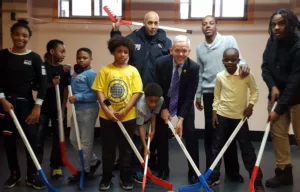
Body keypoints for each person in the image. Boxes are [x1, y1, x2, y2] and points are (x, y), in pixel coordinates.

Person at [111, 12, 172, 170]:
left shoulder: (166, 42)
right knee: (133, 130)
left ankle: (153, 164)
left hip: (155, 94)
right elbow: (119, 48)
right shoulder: (133, 39)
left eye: (156, 23)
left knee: (155, 132)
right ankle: (129, 162)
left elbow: (168, 70)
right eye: (149, 23)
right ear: (143, 23)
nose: (152, 26)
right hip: (134, 93)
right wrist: (115, 32)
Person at [195, 15, 249, 186]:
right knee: (211, 136)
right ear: (202, 28)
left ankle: (233, 172)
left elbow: (241, 59)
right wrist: (198, 94)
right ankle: (213, 173)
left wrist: (244, 66)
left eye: (211, 23)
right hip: (210, 95)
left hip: (229, 93)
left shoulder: (228, 40)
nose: (208, 26)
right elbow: (200, 72)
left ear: (216, 25)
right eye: (204, 24)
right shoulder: (199, 49)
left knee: (230, 133)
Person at [0, 19, 47, 189]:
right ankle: (14, 174)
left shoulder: (34, 58)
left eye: (25, 35)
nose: (21, 38)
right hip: (6, 106)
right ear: (11, 35)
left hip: (27, 106)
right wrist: (2, 100)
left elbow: (43, 83)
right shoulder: (3, 55)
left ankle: (31, 175)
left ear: (29, 37)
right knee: (9, 142)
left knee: (32, 141)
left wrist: (37, 107)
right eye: (17, 34)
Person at [92, 36, 143, 191]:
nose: (122, 54)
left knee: (126, 149)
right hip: (107, 118)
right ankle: (106, 178)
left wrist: (125, 110)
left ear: (129, 54)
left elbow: (137, 92)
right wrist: (108, 110)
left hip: (128, 117)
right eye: (119, 51)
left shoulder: (133, 71)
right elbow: (100, 91)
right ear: (113, 52)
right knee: (108, 149)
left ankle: (126, 177)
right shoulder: (105, 70)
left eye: (125, 52)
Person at [211, 48, 265, 192]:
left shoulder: (245, 75)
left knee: (247, 149)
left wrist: (251, 106)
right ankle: (213, 176)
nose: (229, 62)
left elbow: (255, 91)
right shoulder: (219, 76)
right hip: (222, 116)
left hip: (240, 118)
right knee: (217, 148)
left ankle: (257, 180)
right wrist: (214, 112)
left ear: (238, 61)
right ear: (222, 61)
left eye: (233, 59)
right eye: (226, 59)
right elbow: (216, 96)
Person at [261, 8, 300, 188]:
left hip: (297, 97)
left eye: (281, 24)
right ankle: (283, 173)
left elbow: (295, 81)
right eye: (274, 24)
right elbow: (265, 67)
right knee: (278, 136)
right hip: (277, 94)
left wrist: (278, 109)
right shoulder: (272, 41)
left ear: (290, 24)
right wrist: (273, 86)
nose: (276, 28)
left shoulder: (298, 44)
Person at [155, 35, 200, 184]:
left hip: (183, 102)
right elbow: (158, 88)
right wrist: (163, 108)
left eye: (184, 51)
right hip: (164, 99)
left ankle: (193, 171)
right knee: (161, 135)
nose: (181, 54)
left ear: (189, 51)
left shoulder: (194, 67)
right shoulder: (161, 63)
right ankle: (163, 169)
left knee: (191, 135)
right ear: (171, 50)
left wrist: (181, 118)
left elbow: (189, 96)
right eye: (178, 50)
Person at [35, 39, 69, 178]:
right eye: (61, 51)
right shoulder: (42, 68)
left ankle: (55, 165)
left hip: (58, 109)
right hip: (42, 109)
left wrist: (63, 108)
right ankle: (36, 166)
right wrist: (50, 84)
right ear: (52, 51)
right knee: (38, 139)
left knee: (58, 138)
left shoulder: (64, 69)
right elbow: (35, 87)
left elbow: (66, 89)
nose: (64, 55)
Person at [68, 48, 101, 182]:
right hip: (77, 110)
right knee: (74, 139)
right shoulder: (76, 73)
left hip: (88, 110)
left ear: (90, 59)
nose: (81, 60)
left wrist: (78, 97)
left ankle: (84, 170)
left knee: (85, 142)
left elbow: (95, 94)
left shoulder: (91, 74)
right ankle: (92, 160)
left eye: (85, 58)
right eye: (79, 57)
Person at [132, 83, 163, 183]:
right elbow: (140, 126)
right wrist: (145, 147)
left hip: (148, 121)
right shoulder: (140, 105)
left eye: (156, 101)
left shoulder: (161, 100)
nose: (154, 104)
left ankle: (145, 168)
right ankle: (136, 170)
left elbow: (153, 113)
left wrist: (153, 130)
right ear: (145, 97)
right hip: (138, 124)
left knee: (147, 150)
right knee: (139, 147)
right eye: (151, 101)